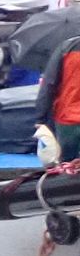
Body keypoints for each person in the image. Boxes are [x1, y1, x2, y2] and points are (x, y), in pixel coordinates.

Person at [34, 33, 80, 161]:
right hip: (67, 119)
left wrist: (40, 118)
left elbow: (48, 84)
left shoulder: (66, 47)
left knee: (67, 168)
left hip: (68, 120)